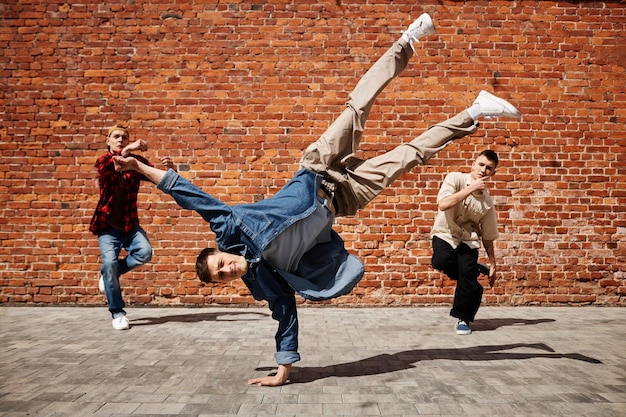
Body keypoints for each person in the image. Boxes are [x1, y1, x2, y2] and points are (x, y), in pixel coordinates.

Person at [112, 13, 520, 385]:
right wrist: (283, 370)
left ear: (220, 252)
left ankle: (407, 41)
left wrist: (139, 169)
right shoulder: (261, 280)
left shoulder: (230, 227)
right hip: (343, 197)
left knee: (357, 108)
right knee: (410, 155)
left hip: (316, 168)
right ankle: (474, 112)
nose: (228, 270)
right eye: (222, 277)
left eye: (221, 264)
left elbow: (191, 196)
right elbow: (284, 313)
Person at [89, 123, 176, 330]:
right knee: (109, 263)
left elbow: (155, 176)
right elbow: (107, 167)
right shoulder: (103, 161)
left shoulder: (135, 162)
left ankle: (110, 273)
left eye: (124, 137)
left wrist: (170, 169)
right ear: (108, 141)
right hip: (108, 227)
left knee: (144, 252)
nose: (120, 140)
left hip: (129, 224)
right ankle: (117, 312)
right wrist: (128, 150)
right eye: (116, 137)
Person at [431, 148, 502, 335]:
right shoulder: (455, 179)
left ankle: (463, 319)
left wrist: (493, 264)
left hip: (468, 241)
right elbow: (443, 204)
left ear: (493, 173)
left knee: (467, 281)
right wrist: (471, 188)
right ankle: (471, 272)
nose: (483, 170)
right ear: (473, 163)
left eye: (489, 168)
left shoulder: (487, 203)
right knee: (440, 261)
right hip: (445, 233)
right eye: (481, 164)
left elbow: (488, 235)